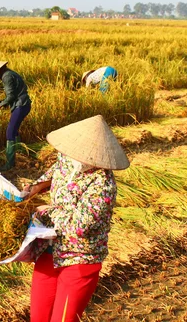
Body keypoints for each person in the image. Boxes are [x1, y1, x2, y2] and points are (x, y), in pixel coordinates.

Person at [23, 115, 130, 322]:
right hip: (49, 252)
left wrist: (47, 211)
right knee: (38, 318)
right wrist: (34, 188)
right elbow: (56, 170)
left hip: (80, 259)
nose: (73, 157)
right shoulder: (67, 158)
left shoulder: (102, 185)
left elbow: (81, 226)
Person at [0, 61, 31, 171]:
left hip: (21, 105)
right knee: (14, 130)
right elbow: (13, 95)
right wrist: (0, 103)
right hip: (23, 104)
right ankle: (20, 154)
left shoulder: (7, 76)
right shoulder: (9, 73)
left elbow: (11, 96)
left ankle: (10, 164)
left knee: (10, 132)